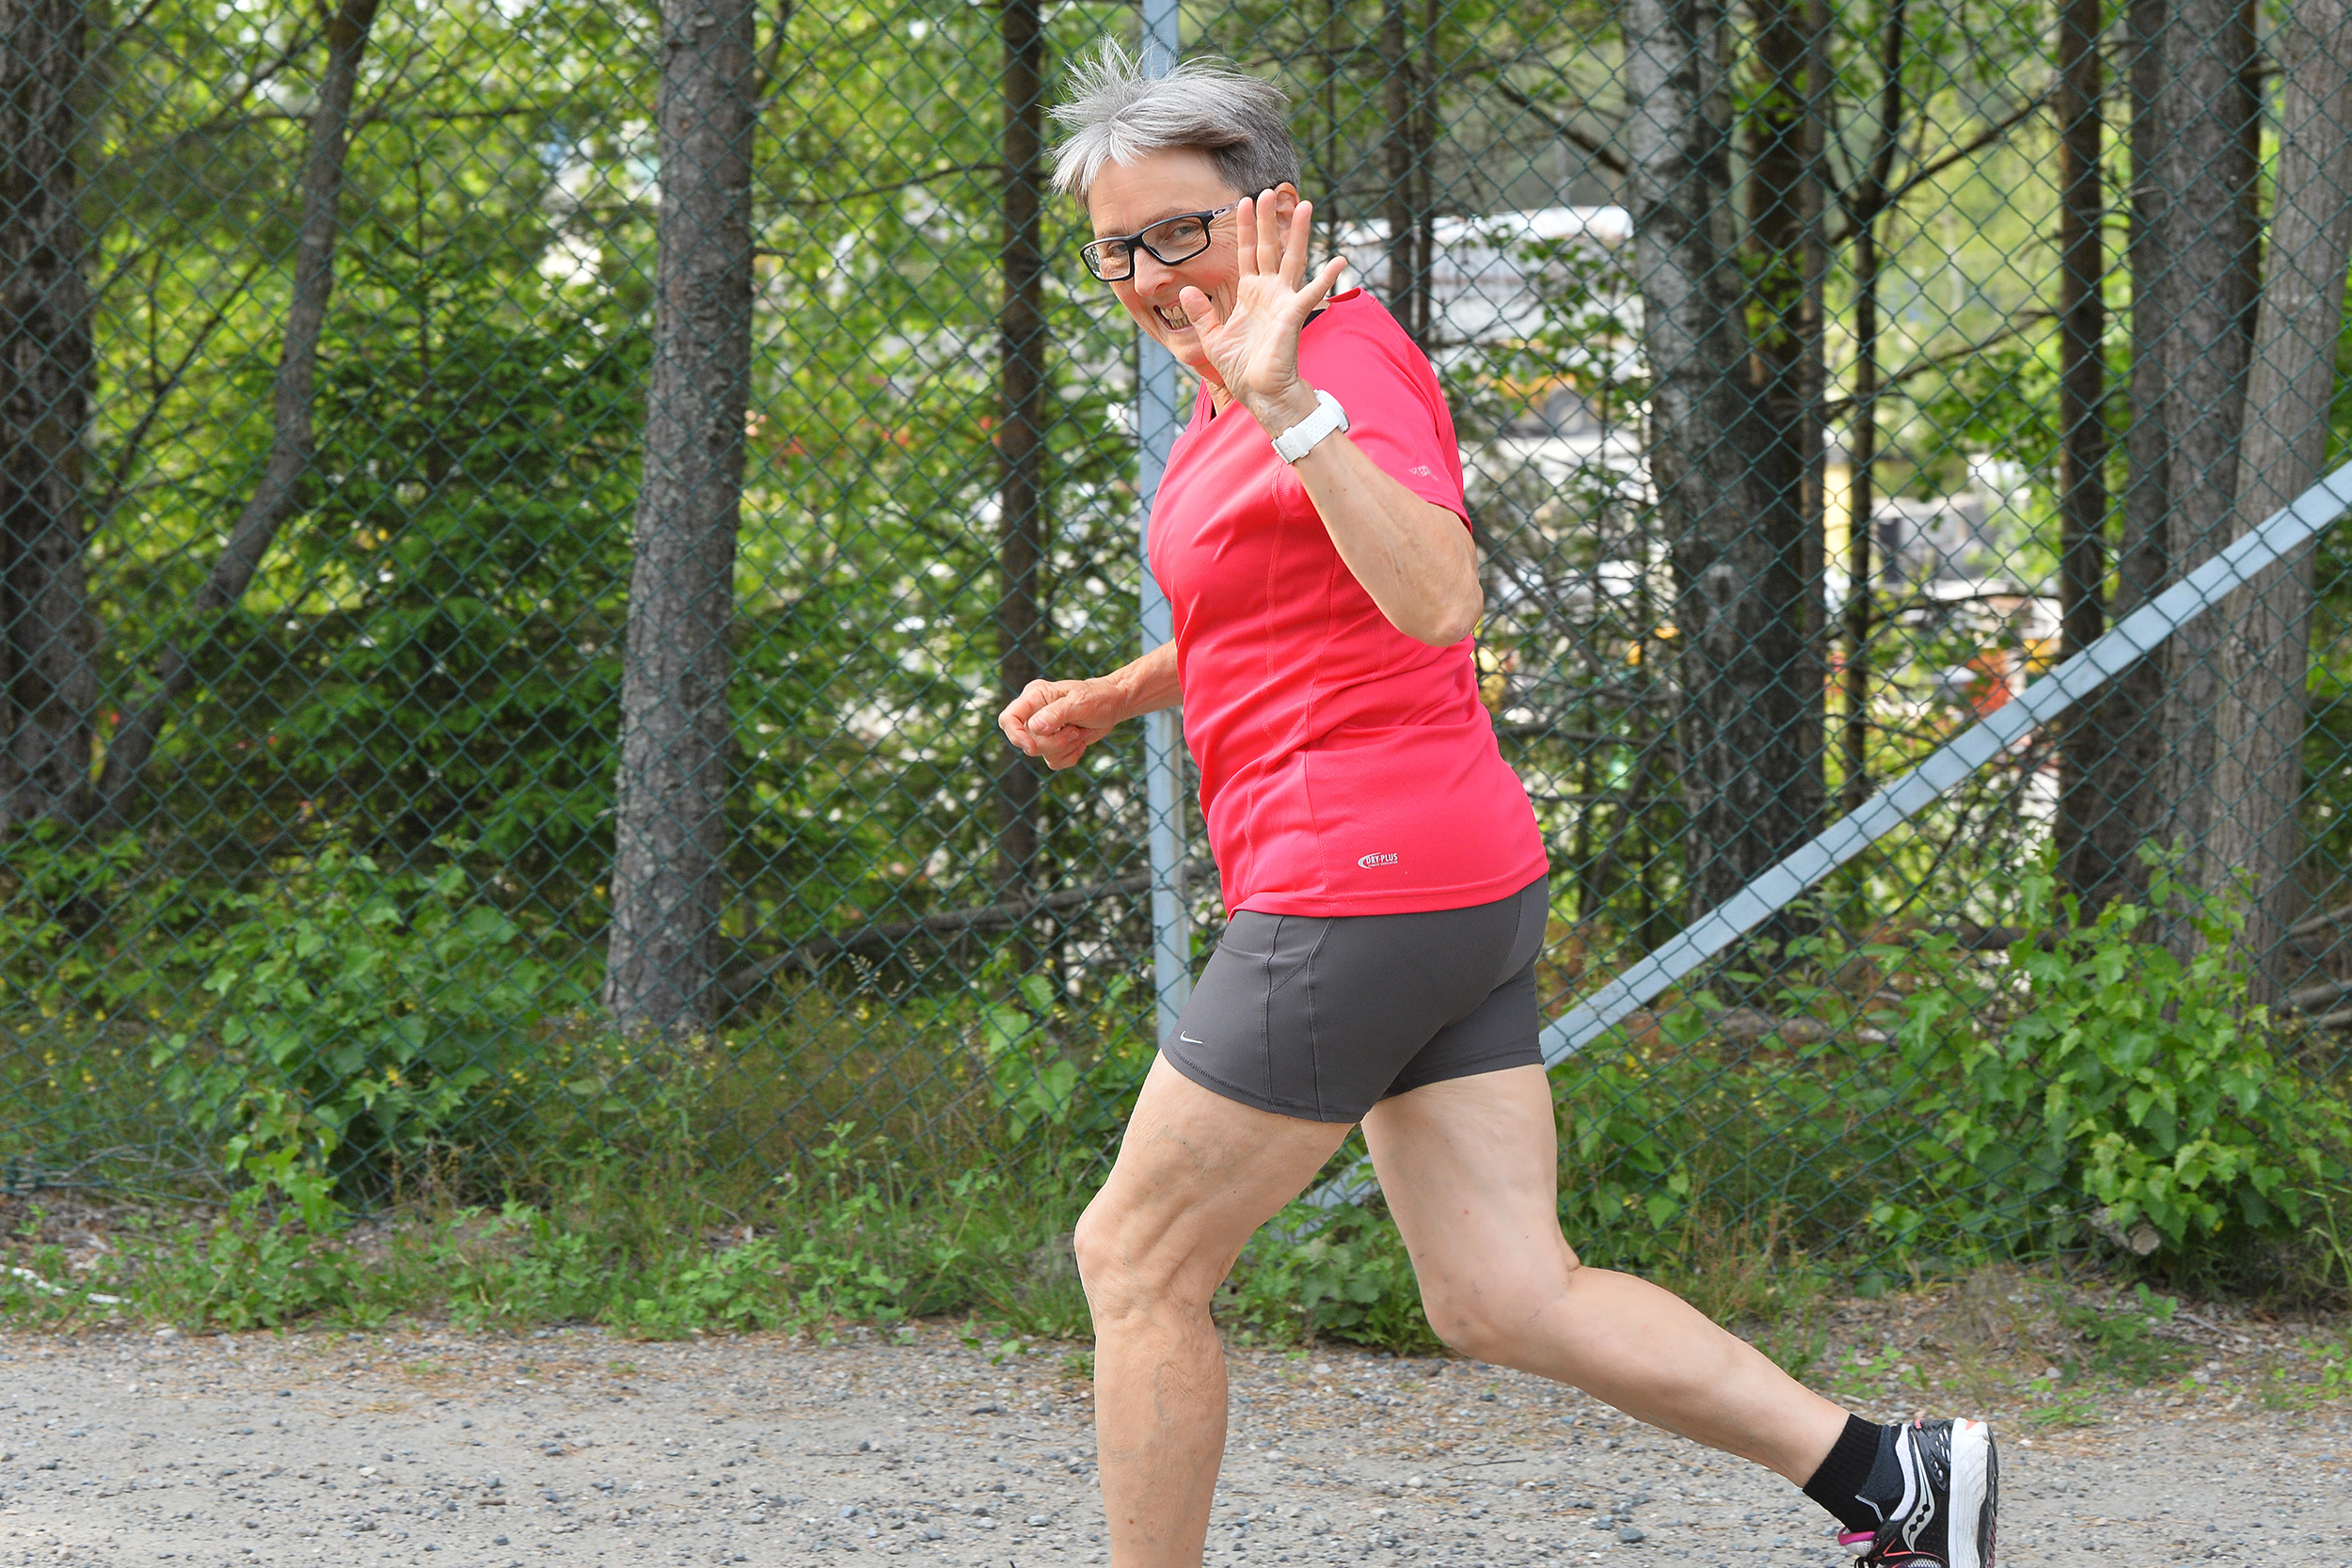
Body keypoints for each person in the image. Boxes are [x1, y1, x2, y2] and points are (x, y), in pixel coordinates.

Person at [995, 41, 1998, 1568]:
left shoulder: (1325, 364)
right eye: (1115, 250)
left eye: (1178, 234)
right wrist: (1119, 696)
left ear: (1271, 212)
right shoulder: (1234, 382)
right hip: (1444, 875)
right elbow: (1279, 611)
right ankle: (1894, 1478)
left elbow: (1437, 595)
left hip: (1362, 881)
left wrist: (1288, 405)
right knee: (1502, 1293)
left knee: (1133, 1259)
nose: (1147, 274)